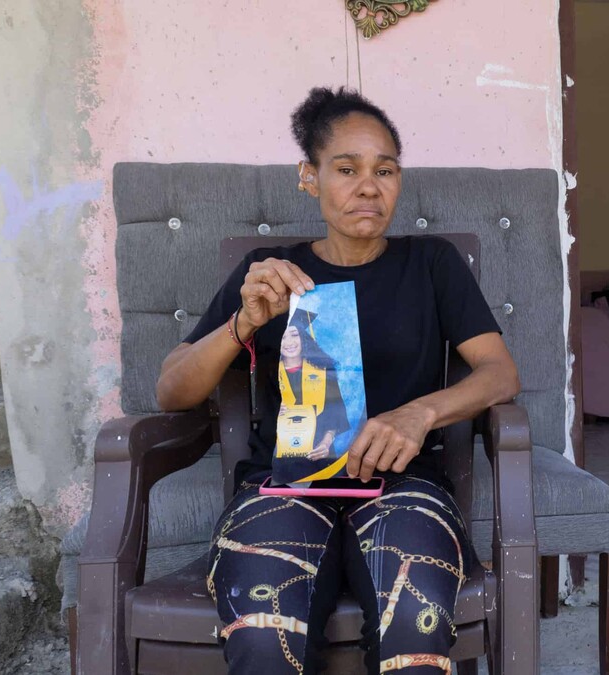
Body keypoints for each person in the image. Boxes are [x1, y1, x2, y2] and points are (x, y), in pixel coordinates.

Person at [155, 86, 521, 675]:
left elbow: (500, 373)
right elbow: (172, 390)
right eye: (347, 169)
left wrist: (421, 413)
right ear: (310, 177)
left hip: (403, 484)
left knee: (415, 627)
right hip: (284, 487)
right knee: (263, 637)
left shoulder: (431, 263)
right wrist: (244, 321)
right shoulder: (273, 273)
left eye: (385, 170)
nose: (368, 187)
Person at [276, 311, 350, 466]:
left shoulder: (323, 370)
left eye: (294, 334)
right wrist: (277, 410)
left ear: (303, 337)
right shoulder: (273, 374)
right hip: (283, 456)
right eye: (282, 337)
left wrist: (325, 444)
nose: (289, 342)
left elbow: (335, 413)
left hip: (320, 454)